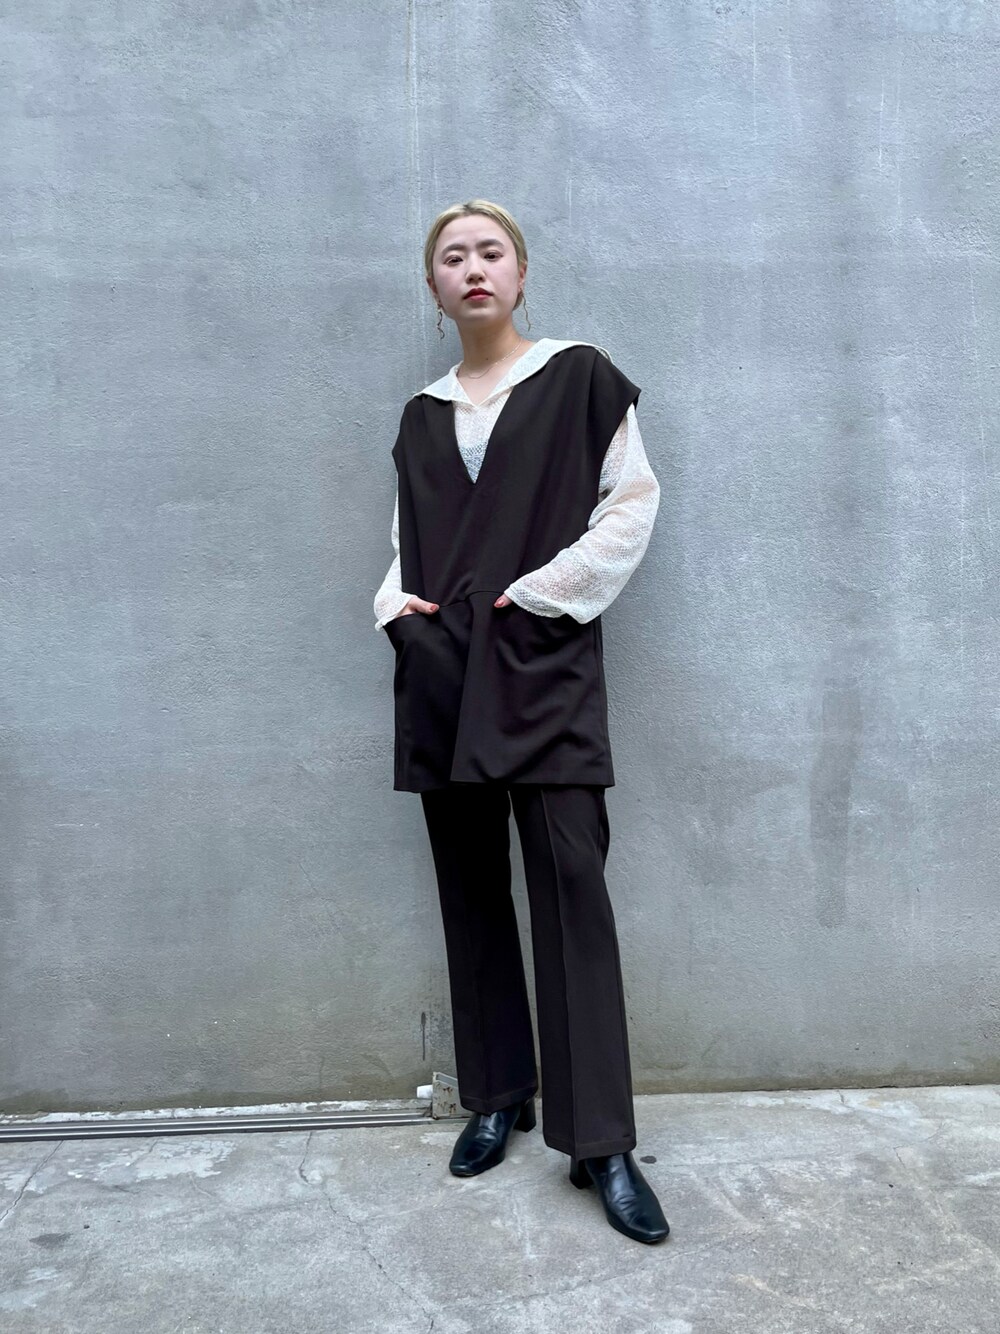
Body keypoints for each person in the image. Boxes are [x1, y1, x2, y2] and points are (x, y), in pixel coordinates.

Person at [373, 200, 669, 1244]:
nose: (473, 268)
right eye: (451, 256)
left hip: (541, 669)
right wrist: (393, 609)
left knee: (571, 893)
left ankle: (600, 1142)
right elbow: (405, 538)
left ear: (521, 271)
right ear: (433, 286)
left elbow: (630, 504)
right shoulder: (419, 414)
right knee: (469, 891)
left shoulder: (579, 377)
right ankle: (498, 1093)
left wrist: (542, 597)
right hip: (441, 675)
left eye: (489, 251)